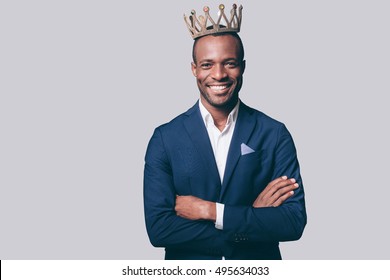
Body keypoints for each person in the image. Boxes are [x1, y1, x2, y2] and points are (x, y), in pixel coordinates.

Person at [143, 4, 306, 260]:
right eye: (207, 64)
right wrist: (249, 217)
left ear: (242, 67)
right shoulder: (165, 138)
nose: (218, 75)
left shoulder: (274, 133)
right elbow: (159, 229)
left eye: (229, 63)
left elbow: (293, 221)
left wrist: (212, 212)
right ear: (194, 69)